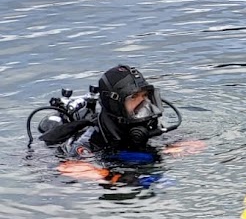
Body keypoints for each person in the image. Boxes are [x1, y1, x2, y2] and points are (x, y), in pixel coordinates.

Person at [30, 64, 198, 185]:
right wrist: (111, 176)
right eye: (134, 97)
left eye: (145, 95)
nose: (144, 103)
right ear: (115, 104)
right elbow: (66, 167)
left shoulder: (147, 125)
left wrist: (168, 151)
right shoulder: (93, 137)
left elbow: (196, 143)